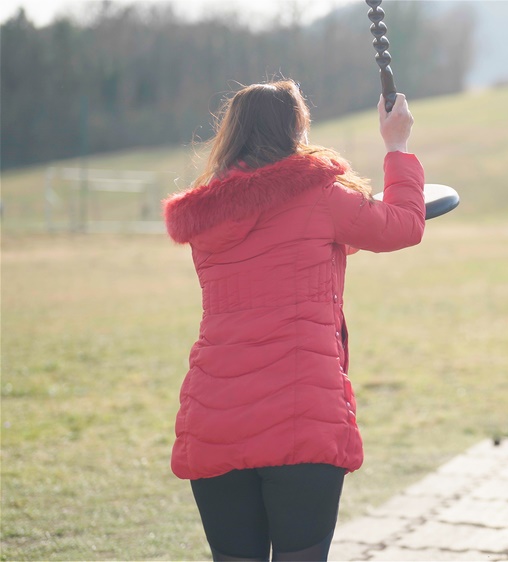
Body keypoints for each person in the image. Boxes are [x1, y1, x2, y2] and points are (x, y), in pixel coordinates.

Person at [162, 80, 425, 560]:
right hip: (302, 419)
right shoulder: (320, 196)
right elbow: (404, 225)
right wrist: (397, 145)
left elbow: (275, 252)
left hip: (215, 417)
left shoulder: (207, 216)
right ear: (296, 131)